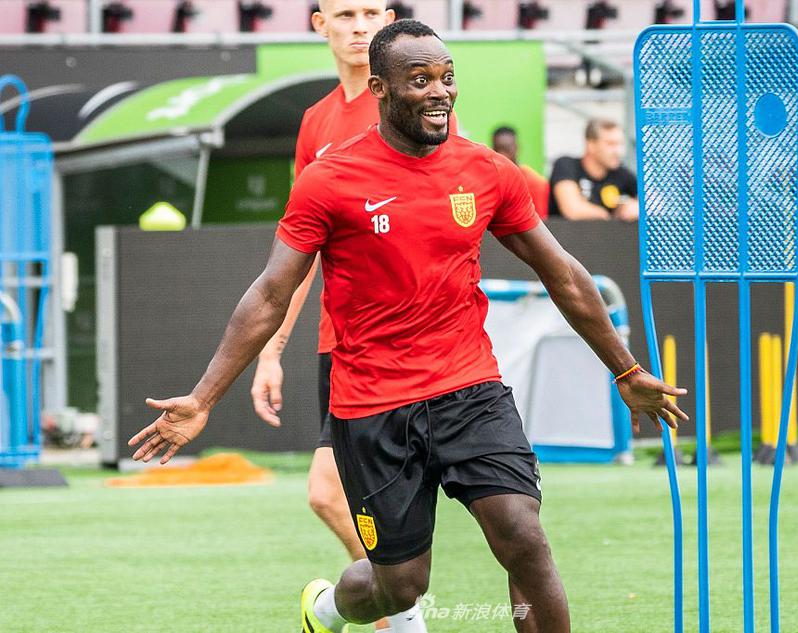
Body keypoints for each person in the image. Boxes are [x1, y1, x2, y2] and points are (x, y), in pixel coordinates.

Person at [129, 20, 688, 633]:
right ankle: (328, 608)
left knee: (523, 536)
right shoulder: (330, 179)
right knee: (399, 586)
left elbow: (566, 276)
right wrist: (203, 398)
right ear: (380, 89)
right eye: (420, 80)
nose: (439, 91)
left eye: (447, 77)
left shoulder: (487, 171)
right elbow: (270, 293)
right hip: (373, 407)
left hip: (471, 392)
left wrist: (626, 370)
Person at [251, 3, 453, 631]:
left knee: (349, 494)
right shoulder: (315, 123)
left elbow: (453, 198)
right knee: (328, 493)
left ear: (389, 17)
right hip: (343, 345)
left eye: (371, 12)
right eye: (345, 13)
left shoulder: (412, 103)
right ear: (320, 24)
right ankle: (384, 614)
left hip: (416, 345)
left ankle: (368, 614)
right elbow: (301, 248)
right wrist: (271, 349)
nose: (360, 25)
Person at [548, 118, 639, 221]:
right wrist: (609, 216)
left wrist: (635, 207)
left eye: (620, 144)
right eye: (610, 144)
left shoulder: (620, 173)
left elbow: (649, 202)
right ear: (591, 145)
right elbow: (572, 210)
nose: (618, 151)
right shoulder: (566, 165)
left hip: (606, 232)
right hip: (563, 231)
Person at [492, 125, 549, 219]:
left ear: (517, 148)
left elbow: (542, 220)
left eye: (507, 149)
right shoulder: (489, 179)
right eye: (497, 149)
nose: (502, 155)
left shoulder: (535, 182)